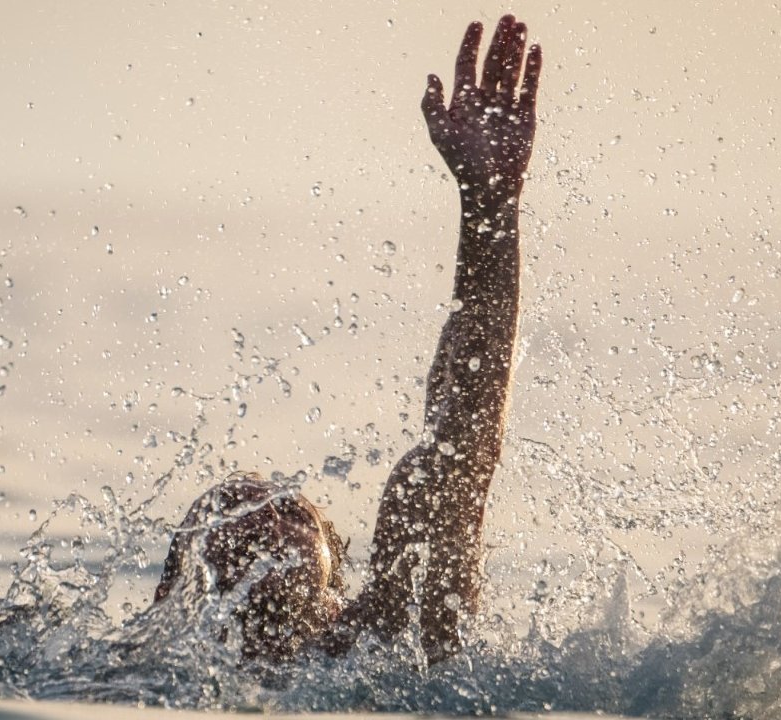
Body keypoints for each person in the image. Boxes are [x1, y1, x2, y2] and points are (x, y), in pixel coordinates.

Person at [154, 14, 542, 665]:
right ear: (171, 590)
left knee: (420, 485)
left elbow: (464, 443)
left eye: (293, 514)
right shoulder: (128, 672)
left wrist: (490, 204)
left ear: (335, 585)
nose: (267, 518)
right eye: (231, 511)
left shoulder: (378, 640)